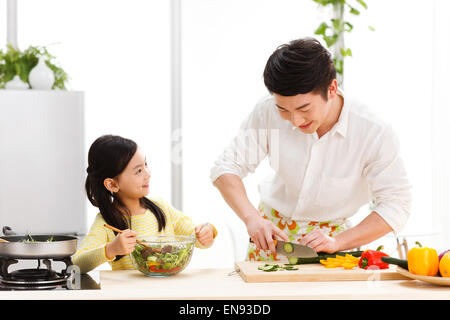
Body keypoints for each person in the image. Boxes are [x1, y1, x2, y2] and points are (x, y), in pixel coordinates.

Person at [210, 37, 411, 262]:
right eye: (283, 110)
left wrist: (339, 242)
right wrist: (251, 219)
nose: (295, 120)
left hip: (333, 244)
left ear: (332, 89)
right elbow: (225, 169)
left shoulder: (373, 131)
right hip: (272, 238)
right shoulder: (267, 111)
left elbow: (397, 203)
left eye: (304, 108)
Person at [72, 135, 217, 273]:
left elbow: (195, 238)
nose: (148, 174)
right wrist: (110, 250)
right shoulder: (106, 222)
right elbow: (77, 264)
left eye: (145, 164)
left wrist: (207, 232)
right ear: (112, 184)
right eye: (139, 171)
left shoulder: (160, 207)